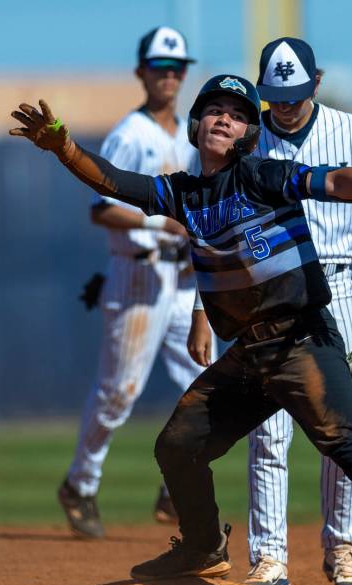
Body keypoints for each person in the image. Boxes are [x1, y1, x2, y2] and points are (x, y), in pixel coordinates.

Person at [9, 74, 352, 585]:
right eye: (215, 109)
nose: (224, 117)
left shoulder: (263, 175)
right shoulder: (183, 193)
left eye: (238, 113)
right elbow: (112, 181)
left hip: (302, 341)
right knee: (177, 444)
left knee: (347, 444)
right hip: (251, 355)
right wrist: (63, 147)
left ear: (248, 133)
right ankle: (202, 547)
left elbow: (335, 182)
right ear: (197, 125)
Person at [187, 38, 352, 585]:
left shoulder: (351, 130)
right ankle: (271, 557)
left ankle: (344, 547)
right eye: (275, 95)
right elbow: (210, 228)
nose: (284, 106)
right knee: (269, 434)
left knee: (339, 432)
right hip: (260, 293)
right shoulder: (243, 137)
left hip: (336, 284)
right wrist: (200, 311)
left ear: (317, 84)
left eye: (296, 94)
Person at [56, 26, 214, 538]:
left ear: (184, 73)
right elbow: (101, 210)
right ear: (141, 72)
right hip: (139, 273)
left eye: (176, 67)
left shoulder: (187, 137)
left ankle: (176, 488)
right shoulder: (131, 133)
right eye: (160, 66)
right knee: (118, 393)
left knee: (205, 381)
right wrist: (157, 223)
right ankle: (80, 483)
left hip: (181, 277)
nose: (169, 75)